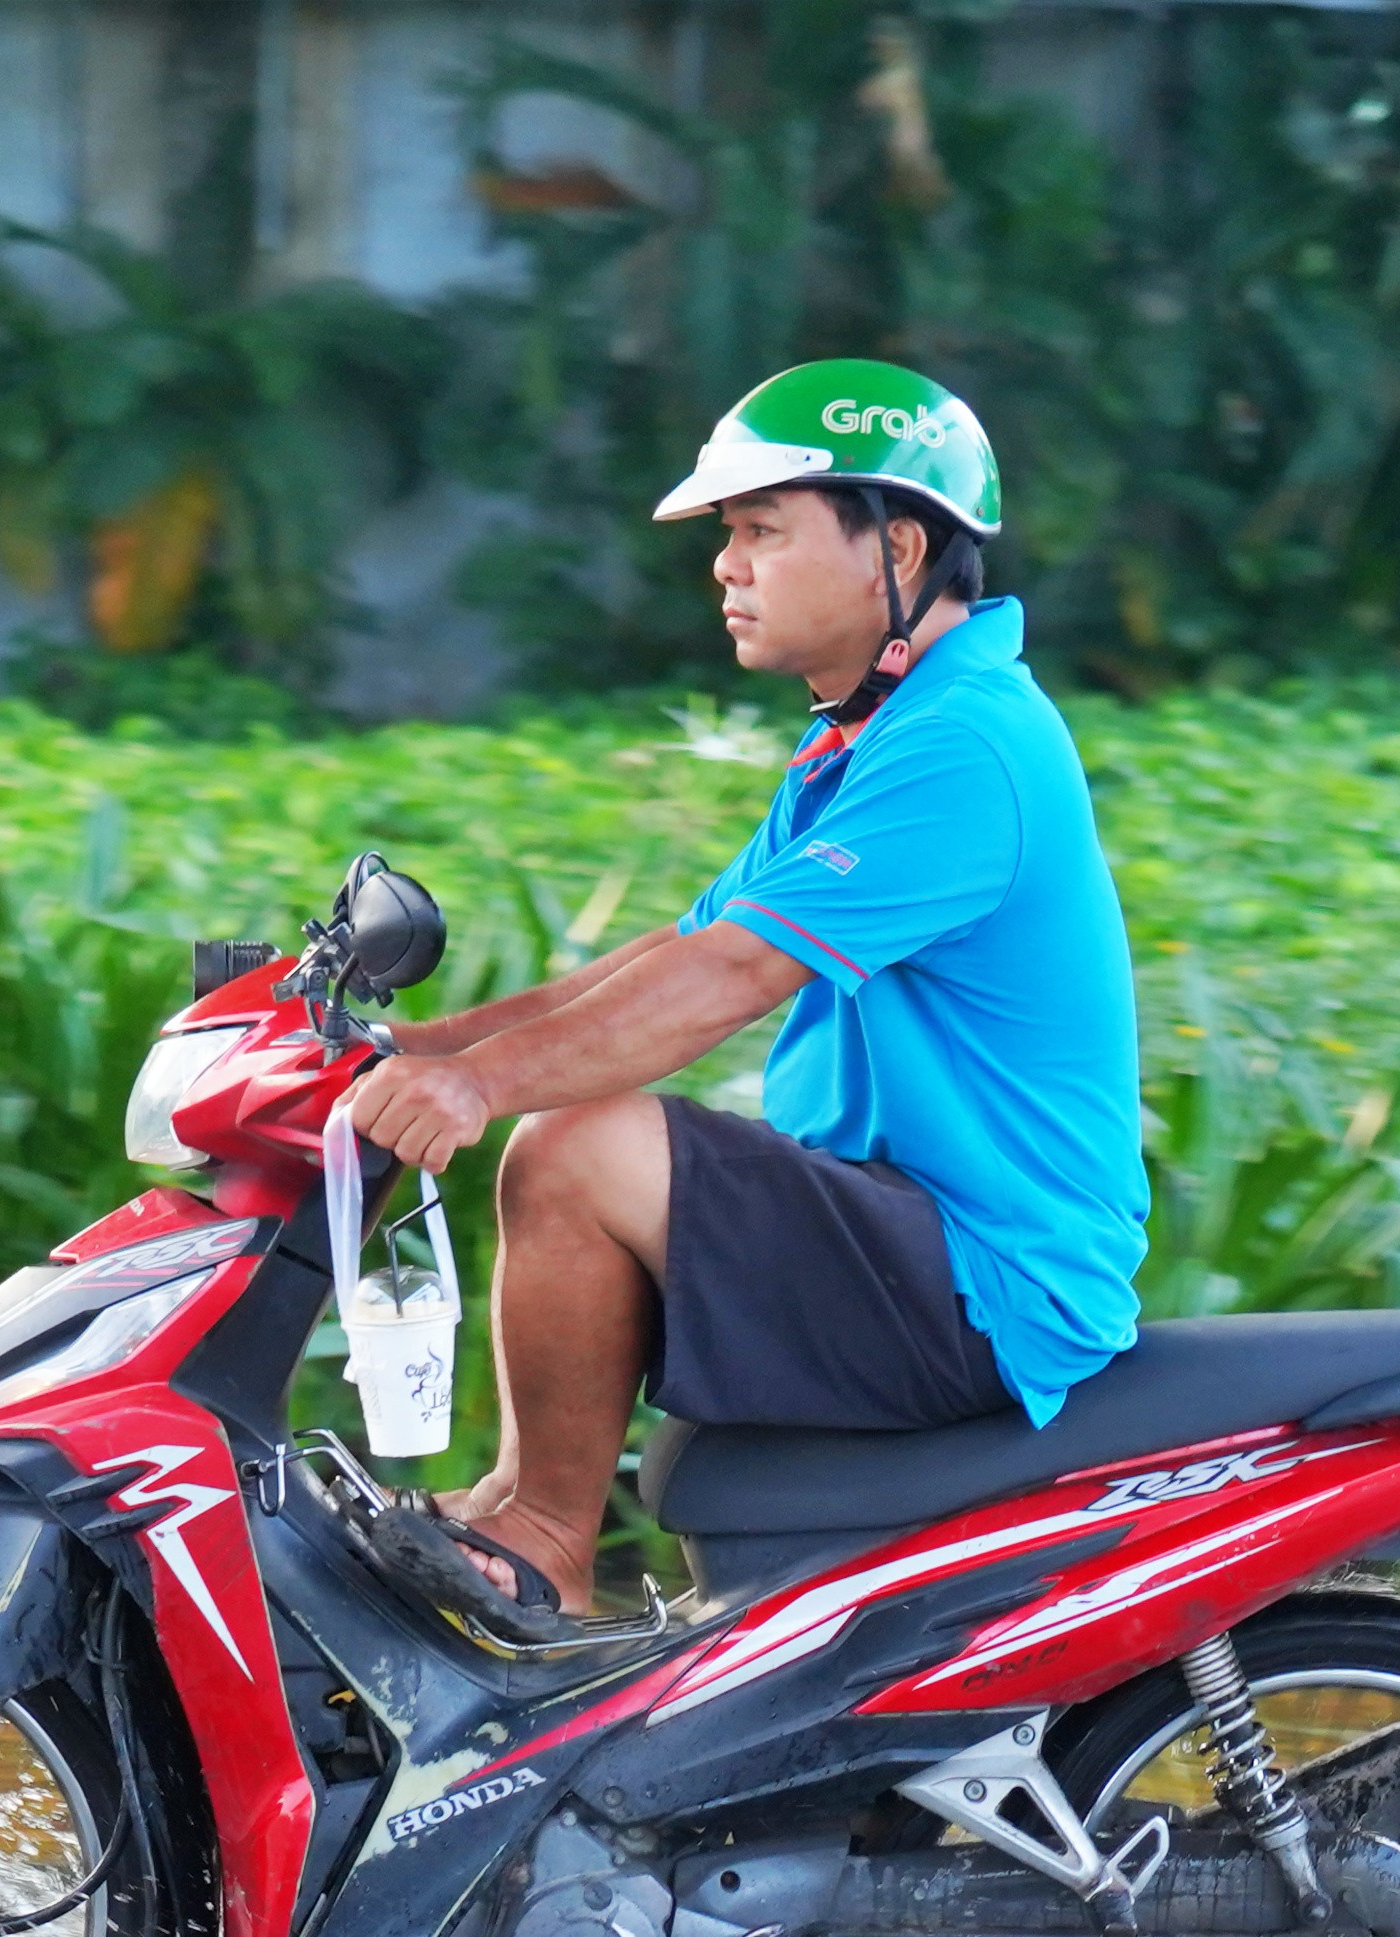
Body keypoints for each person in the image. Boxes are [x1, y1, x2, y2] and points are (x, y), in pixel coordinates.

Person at [343, 358, 1146, 1625]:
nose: (725, 566)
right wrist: (407, 1044)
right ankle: (519, 1503)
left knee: (575, 1144)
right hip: (904, 1224)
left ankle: (545, 1535)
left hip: (988, 1273)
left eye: (761, 530)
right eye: (728, 535)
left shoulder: (963, 746)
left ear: (897, 543)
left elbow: (726, 977)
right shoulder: (864, 735)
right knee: (575, 1127)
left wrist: (482, 1087)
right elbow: (675, 945)